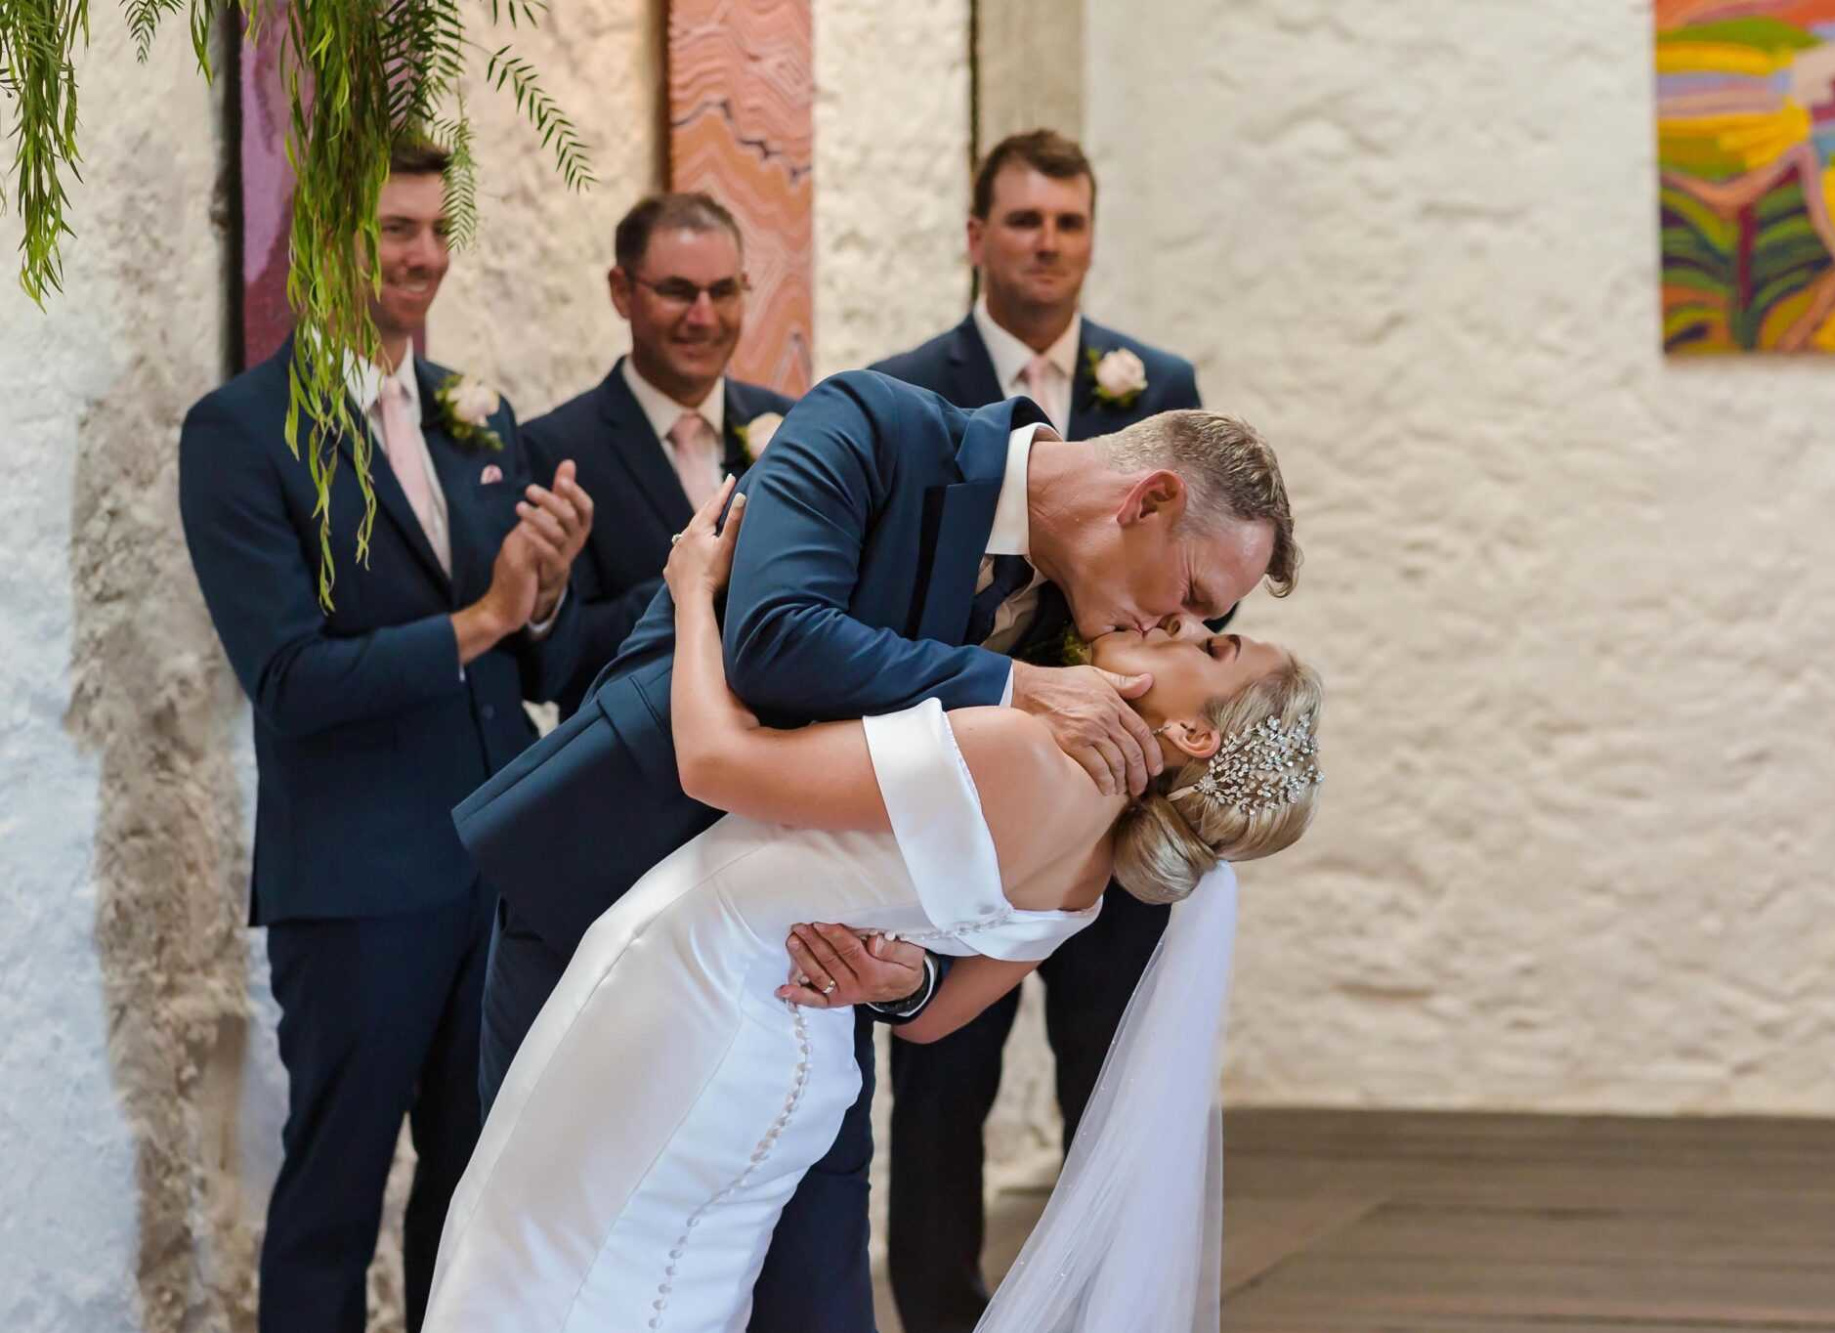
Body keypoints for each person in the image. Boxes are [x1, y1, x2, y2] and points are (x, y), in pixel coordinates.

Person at [452, 367, 1298, 1330]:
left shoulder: (1098, 655)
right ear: (1149, 500)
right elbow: (771, 638)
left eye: (1207, 630)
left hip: (802, 1003)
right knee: (555, 1264)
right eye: (1192, 596)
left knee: (812, 1304)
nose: (1176, 626)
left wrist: (902, 982)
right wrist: (1011, 683)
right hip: (610, 893)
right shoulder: (873, 426)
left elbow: (956, 890)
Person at [177, 139, 592, 1333]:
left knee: (480, 1186)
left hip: (498, 862)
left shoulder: (478, 417)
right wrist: (488, 613)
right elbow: (291, 679)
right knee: (333, 1196)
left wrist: (546, 586)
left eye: (432, 228)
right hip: (354, 881)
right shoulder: (240, 434)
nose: (420, 255)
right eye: (390, 230)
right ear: (321, 247)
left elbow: (525, 653)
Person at [870, 127, 1210, 1331]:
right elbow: (900, 592)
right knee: (938, 1081)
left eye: (1067, 222)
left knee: (1111, 1074)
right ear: (976, 238)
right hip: (961, 792)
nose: (1047, 244)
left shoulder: (1155, 385)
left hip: (1115, 803)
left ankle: (1102, 1306)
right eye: (1023, 221)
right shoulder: (910, 388)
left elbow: (1194, 592)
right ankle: (937, 1311)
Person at [522, 192, 796, 716]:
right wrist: (702, 579)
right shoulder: (555, 448)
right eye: (677, 292)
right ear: (622, 292)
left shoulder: (790, 426)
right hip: (637, 772)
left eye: (723, 291)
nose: (704, 316)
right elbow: (557, 668)